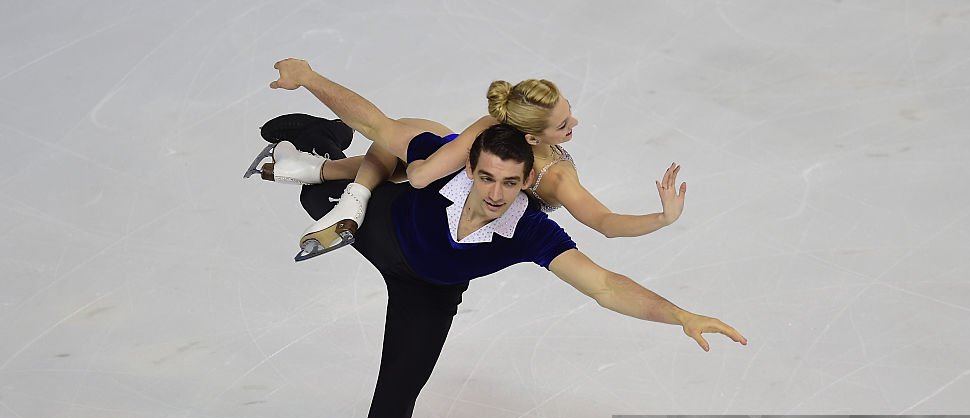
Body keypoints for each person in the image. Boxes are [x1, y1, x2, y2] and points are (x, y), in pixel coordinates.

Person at [264, 58, 747, 418]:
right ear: (470, 162)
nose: (495, 193)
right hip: (383, 230)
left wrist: (680, 314)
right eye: (486, 176)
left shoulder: (529, 229)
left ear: (527, 183)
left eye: (511, 183)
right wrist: (309, 77)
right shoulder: (440, 158)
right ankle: (319, 151)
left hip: (429, 294)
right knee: (344, 179)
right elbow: (374, 120)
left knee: (391, 408)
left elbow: (606, 286)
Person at [251, 71, 686, 256]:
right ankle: (336, 188)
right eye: (564, 123)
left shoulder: (494, 123)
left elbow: (395, 145)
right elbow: (605, 222)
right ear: (531, 137)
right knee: (403, 151)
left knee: (400, 136)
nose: (575, 123)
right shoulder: (556, 175)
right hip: (454, 195)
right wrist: (663, 220)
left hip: (462, 183)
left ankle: (306, 170)